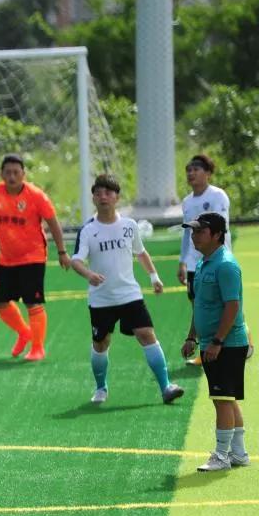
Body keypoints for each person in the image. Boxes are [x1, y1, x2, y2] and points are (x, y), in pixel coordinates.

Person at [71, 174, 185, 406]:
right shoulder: (88, 230)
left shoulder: (129, 226)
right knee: (101, 343)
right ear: (93, 198)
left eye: (108, 192)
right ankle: (101, 387)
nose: (103, 197)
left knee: (147, 334)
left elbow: (140, 252)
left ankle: (166, 387)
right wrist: (89, 274)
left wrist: (154, 276)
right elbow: (76, 260)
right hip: (101, 299)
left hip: (129, 295)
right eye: (98, 193)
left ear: (117, 197)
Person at [0, 154, 71, 361]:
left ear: (23, 174)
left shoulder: (36, 196)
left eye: (16, 172)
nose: (12, 177)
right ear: (1, 174)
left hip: (33, 257)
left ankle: (37, 347)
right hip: (6, 258)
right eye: (8, 172)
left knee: (32, 302)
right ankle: (24, 332)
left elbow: (53, 222)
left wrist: (62, 252)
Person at [181, 213, 251, 471]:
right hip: (213, 342)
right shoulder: (203, 263)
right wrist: (192, 336)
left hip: (226, 344)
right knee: (226, 398)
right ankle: (239, 453)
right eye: (193, 231)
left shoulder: (226, 265)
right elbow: (200, 305)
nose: (194, 236)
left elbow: (232, 307)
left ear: (217, 235)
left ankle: (221, 456)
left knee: (221, 398)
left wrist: (217, 341)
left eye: (200, 231)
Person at [178, 154, 249, 364]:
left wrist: (222, 258)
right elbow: (186, 235)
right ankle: (203, 345)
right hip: (196, 262)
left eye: (196, 169)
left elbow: (221, 229)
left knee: (227, 302)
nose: (191, 173)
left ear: (208, 173)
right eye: (188, 170)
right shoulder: (187, 201)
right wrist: (183, 261)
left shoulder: (218, 196)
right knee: (199, 302)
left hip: (215, 259)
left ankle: (242, 341)